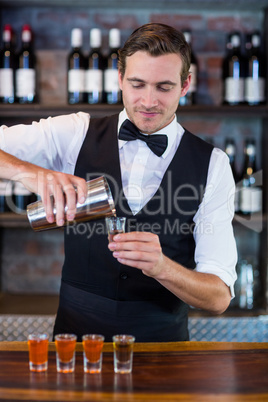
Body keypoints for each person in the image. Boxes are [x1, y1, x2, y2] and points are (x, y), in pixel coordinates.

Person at [0, 23, 237, 342]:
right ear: (119, 78)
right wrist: (29, 173)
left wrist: (162, 267)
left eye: (164, 87)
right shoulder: (74, 133)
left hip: (164, 353)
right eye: (138, 84)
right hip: (77, 345)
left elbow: (219, 297)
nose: (149, 101)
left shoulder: (214, 164)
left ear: (185, 85)